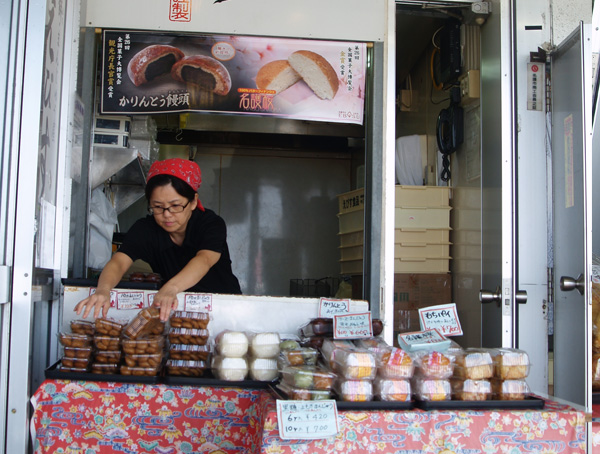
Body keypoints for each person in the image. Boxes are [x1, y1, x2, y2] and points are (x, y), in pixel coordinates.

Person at [75, 158, 241, 321]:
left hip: (224, 306)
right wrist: (103, 290)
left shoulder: (210, 223)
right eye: (158, 207)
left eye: (175, 206)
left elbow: (204, 260)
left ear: (193, 202)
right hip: (177, 308)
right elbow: (119, 262)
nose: (167, 214)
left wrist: (170, 288)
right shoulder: (146, 229)